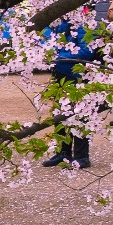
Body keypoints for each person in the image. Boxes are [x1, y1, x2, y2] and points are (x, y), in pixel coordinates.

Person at [42, 12, 97, 168]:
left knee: (80, 115)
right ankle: (62, 152)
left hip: (76, 76)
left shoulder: (84, 26)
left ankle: (81, 156)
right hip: (59, 75)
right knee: (59, 113)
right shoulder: (60, 25)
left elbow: (87, 52)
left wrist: (59, 56)